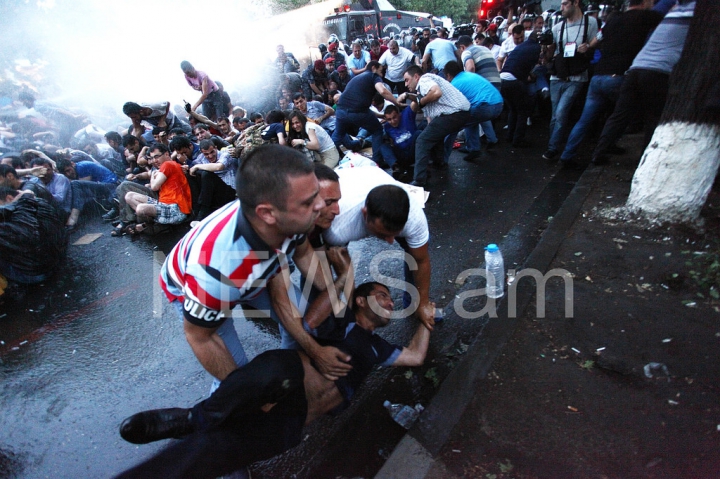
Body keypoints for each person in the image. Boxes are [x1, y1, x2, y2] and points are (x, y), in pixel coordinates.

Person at [117, 281, 432, 479]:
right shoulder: (343, 320)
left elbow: (416, 356)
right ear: (361, 301)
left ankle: (211, 444)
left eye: (391, 300)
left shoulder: (380, 348)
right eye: (382, 295)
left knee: (212, 451)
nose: (390, 303)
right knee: (270, 371)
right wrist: (346, 271)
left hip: (293, 419)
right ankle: (192, 417)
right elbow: (314, 317)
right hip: (288, 375)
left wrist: (425, 323)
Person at [159, 145, 351, 392]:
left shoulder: (290, 218)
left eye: (317, 195)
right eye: (308, 202)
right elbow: (200, 338)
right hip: (196, 283)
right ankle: (227, 421)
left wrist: (341, 305)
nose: (320, 207)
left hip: (247, 271)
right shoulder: (217, 272)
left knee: (300, 320)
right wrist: (249, 396)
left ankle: (290, 376)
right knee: (236, 374)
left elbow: (303, 257)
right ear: (267, 214)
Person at [323, 166, 435, 331]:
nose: (390, 242)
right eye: (383, 234)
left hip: (375, 177)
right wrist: (355, 309)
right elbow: (335, 264)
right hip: (351, 181)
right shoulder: (337, 226)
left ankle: (413, 304)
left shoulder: (414, 219)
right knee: (320, 271)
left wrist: (423, 303)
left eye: (394, 234)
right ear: (365, 214)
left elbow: (421, 260)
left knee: (413, 253)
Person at [558, 0, 663, 166]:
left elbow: (595, 41)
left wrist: (587, 47)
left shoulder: (613, 21)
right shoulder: (646, 17)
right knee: (623, 115)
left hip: (598, 77)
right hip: (619, 75)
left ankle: (567, 155)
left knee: (585, 120)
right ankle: (602, 151)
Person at [591, 0, 693, 166]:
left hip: (636, 67)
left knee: (620, 115)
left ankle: (599, 152)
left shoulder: (670, 16)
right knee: (653, 117)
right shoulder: (690, 15)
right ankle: (646, 160)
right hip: (659, 71)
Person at [541, 0, 599, 165]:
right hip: (558, 75)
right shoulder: (558, 27)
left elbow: (597, 41)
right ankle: (554, 145)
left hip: (577, 75)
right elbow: (550, 53)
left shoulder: (590, 22)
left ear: (575, 3)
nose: (562, 7)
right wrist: (545, 47)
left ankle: (552, 148)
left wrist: (588, 46)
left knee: (561, 113)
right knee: (555, 116)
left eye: (565, 3)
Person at [401, 65, 471, 187]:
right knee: (434, 133)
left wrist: (420, 103)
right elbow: (420, 99)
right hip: (461, 113)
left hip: (454, 114)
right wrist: (408, 95)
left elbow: (436, 93)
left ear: (416, 77)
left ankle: (419, 180)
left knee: (422, 140)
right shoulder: (426, 83)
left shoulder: (424, 80)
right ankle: (440, 163)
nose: (406, 84)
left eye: (407, 80)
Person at [332, 61, 400, 167]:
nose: (383, 73)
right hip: (357, 112)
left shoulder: (357, 78)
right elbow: (383, 91)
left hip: (341, 111)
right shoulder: (373, 76)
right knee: (377, 130)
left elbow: (364, 109)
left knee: (338, 135)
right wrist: (397, 102)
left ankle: (330, 157)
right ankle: (377, 161)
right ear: (374, 68)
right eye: (381, 70)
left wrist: (381, 116)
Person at [123, 144, 192, 233]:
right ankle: (154, 224)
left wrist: (152, 174)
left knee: (141, 208)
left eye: (157, 156)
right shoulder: (166, 166)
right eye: (152, 158)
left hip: (176, 210)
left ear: (167, 154)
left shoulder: (167, 164)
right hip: (163, 205)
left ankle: (150, 225)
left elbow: (154, 187)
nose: (155, 160)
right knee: (129, 196)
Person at [443, 61, 503, 162]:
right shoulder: (470, 75)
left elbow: (450, 107)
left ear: (448, 75)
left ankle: (443, 159)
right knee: (472, 117)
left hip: (485, 108)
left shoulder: (454, 84)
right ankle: (488, 141)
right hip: (499, 104)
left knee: (453, 125)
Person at [56, 158, 118, 229]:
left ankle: (73, 218)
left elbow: (83, 187)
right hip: (102, 187)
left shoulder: (82, 167)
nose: (68, 174)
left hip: (111, 185)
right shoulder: (77, 169)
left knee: (75, 184)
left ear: (72, 164)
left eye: (68, 170)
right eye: (65, 173)